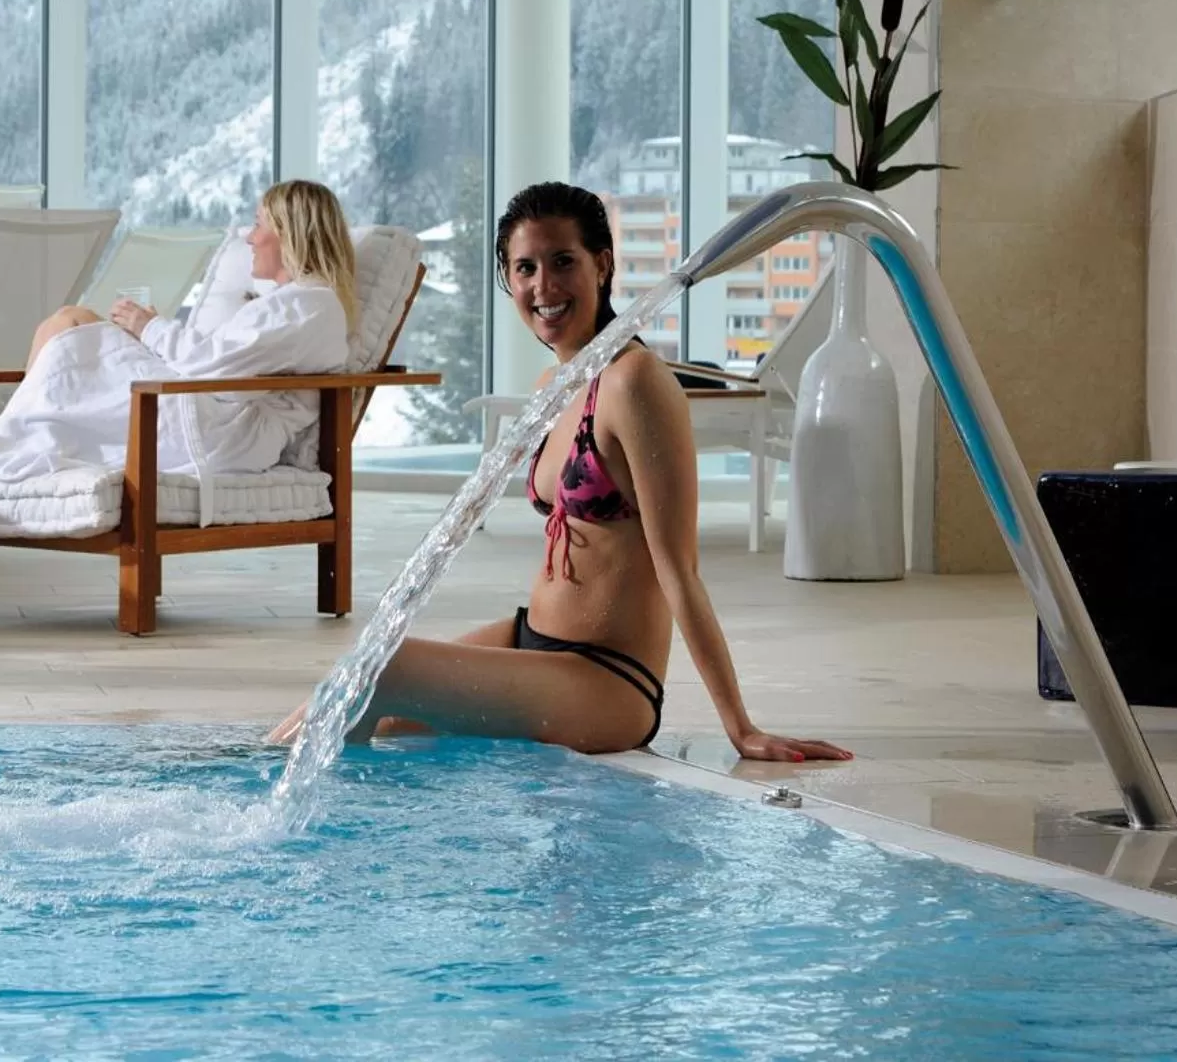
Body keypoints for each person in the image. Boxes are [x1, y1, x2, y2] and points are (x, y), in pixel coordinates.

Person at [271, 182, 850, 764]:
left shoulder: (636, 382)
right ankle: (255, 779)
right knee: (361, 679)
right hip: (534, 641)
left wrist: (741, 728)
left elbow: (681, 569)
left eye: (562, 262)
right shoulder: (554, 387)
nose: (542, 286)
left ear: (602, 265)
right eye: (525, 268)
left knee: (384, 670)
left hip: (608, 680)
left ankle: (296, 826)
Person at [0, 180, 356, 489]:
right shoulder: (298, 303)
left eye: (258, 224)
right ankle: (14, 445)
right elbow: (222, 360)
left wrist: (149, 328)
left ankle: (6, 450)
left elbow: (213, 366)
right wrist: (149, 334)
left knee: (68, 322)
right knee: (70, 321)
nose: (249, 238)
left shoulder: (307, 305)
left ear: (290, 233)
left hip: (216, 430)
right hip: (212, 415)